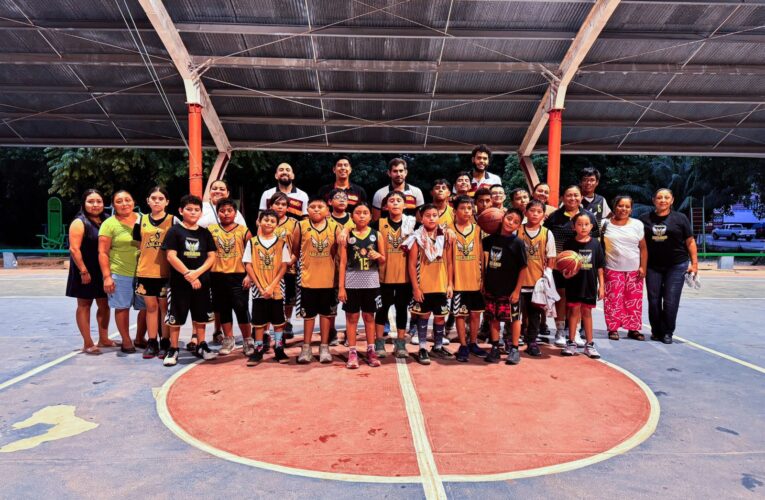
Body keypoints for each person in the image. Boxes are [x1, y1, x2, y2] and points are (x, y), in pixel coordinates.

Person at [161, 195, 217, 366]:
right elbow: (171, 256)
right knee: (175, 318)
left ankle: (202, 345)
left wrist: (197, 274)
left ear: (201, 212)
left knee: (201, 316)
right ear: (181, 211)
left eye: (196, 210)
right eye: (189, 209)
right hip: (179, 284)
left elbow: (211, 256)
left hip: (202, 282)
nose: (193, 212)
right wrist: (188, 274)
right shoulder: (174, 231)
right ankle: (173, 348)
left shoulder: (204, 232)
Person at [544, 185, 600, 347]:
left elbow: (596, 242)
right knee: (561, 297)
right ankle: (560, 331)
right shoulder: (554, 217)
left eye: (576, 195)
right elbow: (547, 239)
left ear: (581, 197)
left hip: (583, 266)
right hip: (560, 264)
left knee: (579, 301)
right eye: (569, 195)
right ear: (562, 198)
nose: (573, 198)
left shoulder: (589, 217)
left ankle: (575, 333)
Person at [640, 188, 698, 344]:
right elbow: (639, 244)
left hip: (677, 265)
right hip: (653, 266)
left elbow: (690, 242)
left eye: (666, 197)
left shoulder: (681, 219)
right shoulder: (644, 219)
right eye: (659, 197)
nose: (663, 200)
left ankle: (667, 332)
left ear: (672, 200)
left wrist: (694, 264)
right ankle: (656, 330)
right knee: (653, 300)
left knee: (671, 300)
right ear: (654, 200)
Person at [293, 197, 342, 364]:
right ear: (307, 210)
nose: (316, 209)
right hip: (308, 279)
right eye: (312, 206)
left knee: (326, 315)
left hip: (329, 280)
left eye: (320, 206)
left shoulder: (336, 227)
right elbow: (295, 250)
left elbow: (342, 254)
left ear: (327, 211)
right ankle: (306, 347)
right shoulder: (301, 226)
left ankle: (324, 347)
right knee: (308, 316)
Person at [338, 203, 386, 368]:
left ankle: (371, 350)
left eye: (366, 213)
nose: (362, 216)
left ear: (371, 216)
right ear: (352, 216)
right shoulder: (347, 235)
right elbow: (343, 263)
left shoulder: (376, 235)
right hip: (351, 282)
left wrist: (378, 256)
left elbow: (383, 259)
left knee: (369, 317)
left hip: (371, 282)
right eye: (358, 213)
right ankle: (352, 352)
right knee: (352, 318)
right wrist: (341, 287)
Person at [198, 179, 246, 345]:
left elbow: (247, 246)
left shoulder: (239, 221)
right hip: (210, 269)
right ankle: (219, 337)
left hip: (235, 270)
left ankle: (240, 338)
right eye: (214, 188)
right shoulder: (203, 213)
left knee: (237, 306)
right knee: (215, 305)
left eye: (222, 189)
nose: (218, 191)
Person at [66, 189, 113, 354]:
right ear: (84, 204)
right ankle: (87, 342)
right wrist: (83, 271)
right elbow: (74, 249)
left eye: (99, 201)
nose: (95, 205)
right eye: (91, 201)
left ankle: (104, 338)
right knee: (84, 305)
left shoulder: (107, 219)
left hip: (102, 269)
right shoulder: (79, 222)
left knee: (104, 304)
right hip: (84, 269)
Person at [406, 204, 454, 364]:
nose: (431, 218)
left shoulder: (445, 236)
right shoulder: (416, 237)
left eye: (434, 215)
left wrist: (450, 284)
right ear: (421, 218)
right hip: (424, 286)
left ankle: (438, 346)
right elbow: (412, 265)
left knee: (440, 318)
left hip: (440, 285)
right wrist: (415, 288)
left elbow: (449, 262)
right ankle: (422, 348)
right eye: (428, 215)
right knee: (423, 317)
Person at [98, 190, 144, 353]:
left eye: (127, 200)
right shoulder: (109, 224)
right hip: (120, 272)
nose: (124, 204)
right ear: (113, 205)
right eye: (119, 201)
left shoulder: (143, 219)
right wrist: (107, 277)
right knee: (122, 307)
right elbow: (103, 252)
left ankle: (140, 338)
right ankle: (126, 341)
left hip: (144, 272)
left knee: (146, 308)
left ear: (134, 202)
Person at [243, 209, 291, 365]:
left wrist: (271, 286)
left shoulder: (281, 243)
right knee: (258, 322)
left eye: (272, 221)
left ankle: (279, 349)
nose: (269, 223)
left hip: (276, 287)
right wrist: (259, 285)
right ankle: (258, 351)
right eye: (266, 220)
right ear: (259, 221)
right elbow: (248, 265)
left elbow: (284, 266)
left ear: (277, 224)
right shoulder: (252, 242)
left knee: (278, 321)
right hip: (258, 288)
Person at [133, 186, 174, 359]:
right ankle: (151, 342)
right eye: (154, 198)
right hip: (145, 271)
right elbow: (137, 244)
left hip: (165, 272)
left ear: (167, 202)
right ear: (147, 200)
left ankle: (165, 341)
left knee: (164, 308)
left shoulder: (173, 220)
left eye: (160, 198)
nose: (157, 201)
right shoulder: (140, 220)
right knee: (151, 307)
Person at [208, 198, 254, 356]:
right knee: (223, 309)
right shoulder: (211, 230)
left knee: (241, 308)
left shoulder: (244, 231)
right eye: (222, 210)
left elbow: (251, 255)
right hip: (217, 275)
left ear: (235, 213)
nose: (226, 213)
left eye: (229, 210)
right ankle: (229, 339)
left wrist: (249, 275)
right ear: (217, 212)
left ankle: (248, 340)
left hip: (238, 275)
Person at [373, 191, 416, 359]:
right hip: (383, 277)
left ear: (405, 205)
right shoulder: (378, 224)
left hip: (405, 277)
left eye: (399, 200)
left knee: (401, 310)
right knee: (381, 310)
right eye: (392, 200)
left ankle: (400, 343)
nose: (395, 203)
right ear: (386, 206)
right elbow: (359, 230)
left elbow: (432, 229)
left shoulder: (412, 224)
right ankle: (379, 342)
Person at [481, 208, 527, 364]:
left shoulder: (518, 243)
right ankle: (495, 347)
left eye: (515, 222)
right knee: (493, 318)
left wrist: (517, 290)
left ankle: (514, 349)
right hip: (492, 287)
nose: (511, 223)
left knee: (514, 319)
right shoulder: (489, 240)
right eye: (509, 218)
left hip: (510, 290)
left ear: (518, 226)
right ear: (502, 218)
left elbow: (523, 268)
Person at [561, 213, 605, 359]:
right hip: (573, 283)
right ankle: (571, 342)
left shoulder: (596, 244)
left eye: (586, 224)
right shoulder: (569, 244)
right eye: (580, 224)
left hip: (590, 284)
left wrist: (602, 286)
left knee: (587, 313)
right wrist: (565, 273)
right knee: (573, 312)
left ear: (592, 226)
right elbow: (563, 265)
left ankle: (589, 344)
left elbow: (600, 267)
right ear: (574, 227)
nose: (583, 227)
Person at [603, 195, 647, 341]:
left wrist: (643, 267)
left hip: (634, 269)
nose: (624, 209)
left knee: (633, 300)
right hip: (612, 268)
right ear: (615, 206)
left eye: (627, 206)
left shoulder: (637, 224)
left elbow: (643, 248)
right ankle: (613, 328)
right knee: (612, 301)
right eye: (621, 205)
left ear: (631, 209)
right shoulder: (605, 224)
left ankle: (633, 329)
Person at [449, 196, 487, 362]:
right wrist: (449, 283)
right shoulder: (448, 230)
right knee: (459, 315)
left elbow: (482, 257)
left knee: (475, 314)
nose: (466, 211)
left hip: (475, 280)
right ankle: (463, 345)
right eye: (463, 208)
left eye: (469, 208)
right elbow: (448, 259)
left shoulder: (479, 230)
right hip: (458, 281)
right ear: (455, 211)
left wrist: (484, 280)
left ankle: (473, 342)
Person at [517, 200, 556, 356]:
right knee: (513, 313)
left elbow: (551, 258)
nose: (535, 214)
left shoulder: (547, 233)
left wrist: (546, 278)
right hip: (517, 282)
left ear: (544, 215)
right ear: (525, 212)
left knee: (534, 315)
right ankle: (509, 339)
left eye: (539, 212)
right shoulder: (517, 230)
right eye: (532, 210)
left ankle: (531, 340)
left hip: (537, 282)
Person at [270, 192, 299, 339]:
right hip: (269, 268)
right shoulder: (265, 221)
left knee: (289, 298)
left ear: (287, 208)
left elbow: (297, 248)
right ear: (271, 205)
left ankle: (287, 322)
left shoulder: (294, 223)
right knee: (272, 297)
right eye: (277, 204)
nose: (280, 207)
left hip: (288, 268)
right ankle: (272, 324)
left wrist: (291, 261)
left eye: (283, 205)